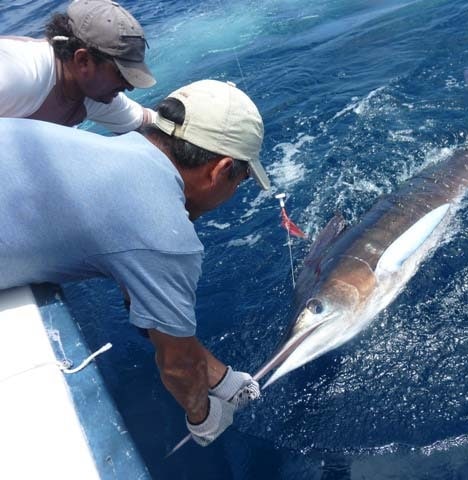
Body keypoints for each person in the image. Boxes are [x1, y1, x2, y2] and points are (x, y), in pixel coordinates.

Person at [0, 79, 271, 446]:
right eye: (240, 180)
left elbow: (147, 310)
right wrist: (203, 416)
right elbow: (176, 366)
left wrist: (220, 378)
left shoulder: (115, 150)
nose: (235, 190)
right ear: (221, 170)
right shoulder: (165, 238)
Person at [0, 0, 156, 133]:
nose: (130, 86)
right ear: (83, 61)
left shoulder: (93, 93)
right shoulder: (15, 75)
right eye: (121, 74)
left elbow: (151, 125)